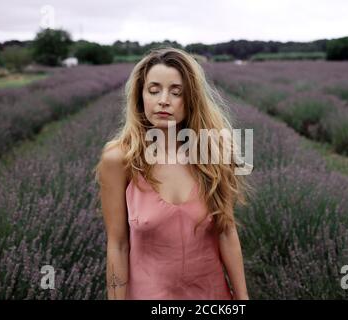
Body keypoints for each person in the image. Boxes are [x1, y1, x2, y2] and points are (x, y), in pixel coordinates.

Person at [94, 47, 252, 300]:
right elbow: (118, 245)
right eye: (154, 90)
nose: (163, 100)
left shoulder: (212, 154)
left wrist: (243, 299)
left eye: (176, 92)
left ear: (190, 101)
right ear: (140, 97)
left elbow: (226, 231)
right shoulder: (118, 160)